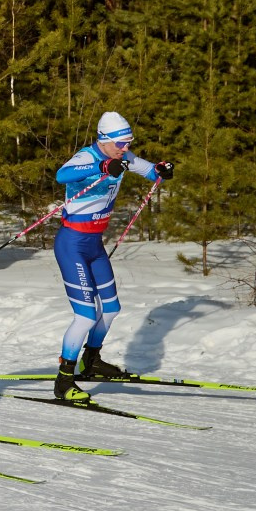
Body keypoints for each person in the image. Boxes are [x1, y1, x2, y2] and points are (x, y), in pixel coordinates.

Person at [52, 112, 172, 399]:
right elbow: (62, 175)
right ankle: (64, 381)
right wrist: (102, 165)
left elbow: (150, 171)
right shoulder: (86, 156)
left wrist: (163, 169)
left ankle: (91, 360)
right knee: (85, 316)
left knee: (112, 308)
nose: (125, 148)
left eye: (128, 142)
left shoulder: (124, 156)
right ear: (104, 141)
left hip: (94, 245)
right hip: (72, 244)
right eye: (120, 143)